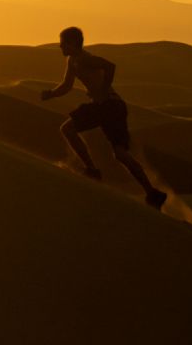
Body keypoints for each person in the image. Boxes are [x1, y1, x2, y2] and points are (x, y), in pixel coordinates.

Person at [40, 26, 167, 209]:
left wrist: (104, 90)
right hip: (104, 106)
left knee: (118, 153)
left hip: (110, 105)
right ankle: (150, 192)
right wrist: (51, 94)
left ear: (73, 43)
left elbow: (110, 66)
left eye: (63, 44)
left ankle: (96, 172)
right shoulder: (72, 61)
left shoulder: (85, 58)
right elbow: (67, 85)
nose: (60, 47)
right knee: (77, 133)